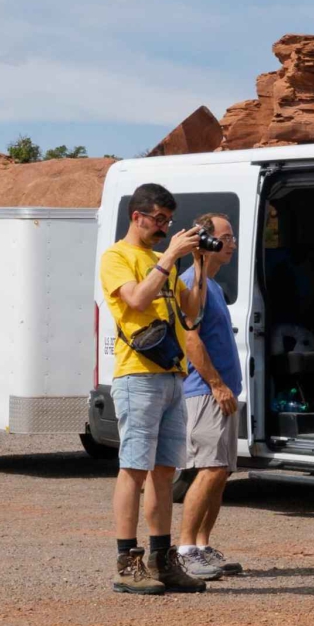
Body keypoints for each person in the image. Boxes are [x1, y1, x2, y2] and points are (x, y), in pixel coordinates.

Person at [103, 183, 210, 595]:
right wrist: (169, 257)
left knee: (165, 472)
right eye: (159, 220)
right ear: (137, 216)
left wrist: (198, 265)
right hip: (137, 376)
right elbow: (135, 300)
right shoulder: (118, 256)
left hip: (172, 375)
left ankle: (162, 560)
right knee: (133, 469)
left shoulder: (158, 259)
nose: (165, 228)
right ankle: (126, 562)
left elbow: (191, 311)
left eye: (169, 221)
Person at [176, 213, 244, 581]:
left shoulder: (212, 285)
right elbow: (190, 339)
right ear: (205, 240)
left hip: (222, 395)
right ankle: (186, 550)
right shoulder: (192, 281)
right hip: (205, 393)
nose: (231, 243)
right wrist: (216, 385)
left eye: (231, 237)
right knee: (210, 468)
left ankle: (202, 547)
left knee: (220, 472)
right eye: (225, 237)